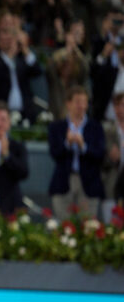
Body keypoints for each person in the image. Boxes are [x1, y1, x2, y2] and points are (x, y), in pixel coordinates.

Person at [48, 87, 105, 219]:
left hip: (89, 184)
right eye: (77, 101)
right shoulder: (57, 127)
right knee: (64, 227)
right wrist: (67, 144)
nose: (81, 106)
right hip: (63, 183)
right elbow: (54, 153)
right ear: (68, 103)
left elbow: (100, 154)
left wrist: (83, 146)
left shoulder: (95, 127)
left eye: (84, 102)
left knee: (88, 227)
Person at [0, 21, 42, 121]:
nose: (9, 42)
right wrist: (10, 56)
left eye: (11, 39)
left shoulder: (20, 60)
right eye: (5, 39)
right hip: (1, 113)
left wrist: (25, 49)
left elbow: (37, 71)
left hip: (24, 113)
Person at [102, 92, 124, 221]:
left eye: (123, 105)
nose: (120, 109)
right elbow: (101, 158)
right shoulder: (107, 130)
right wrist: (111, 157)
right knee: (111, 223)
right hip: (112, 183)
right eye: (117, 105)